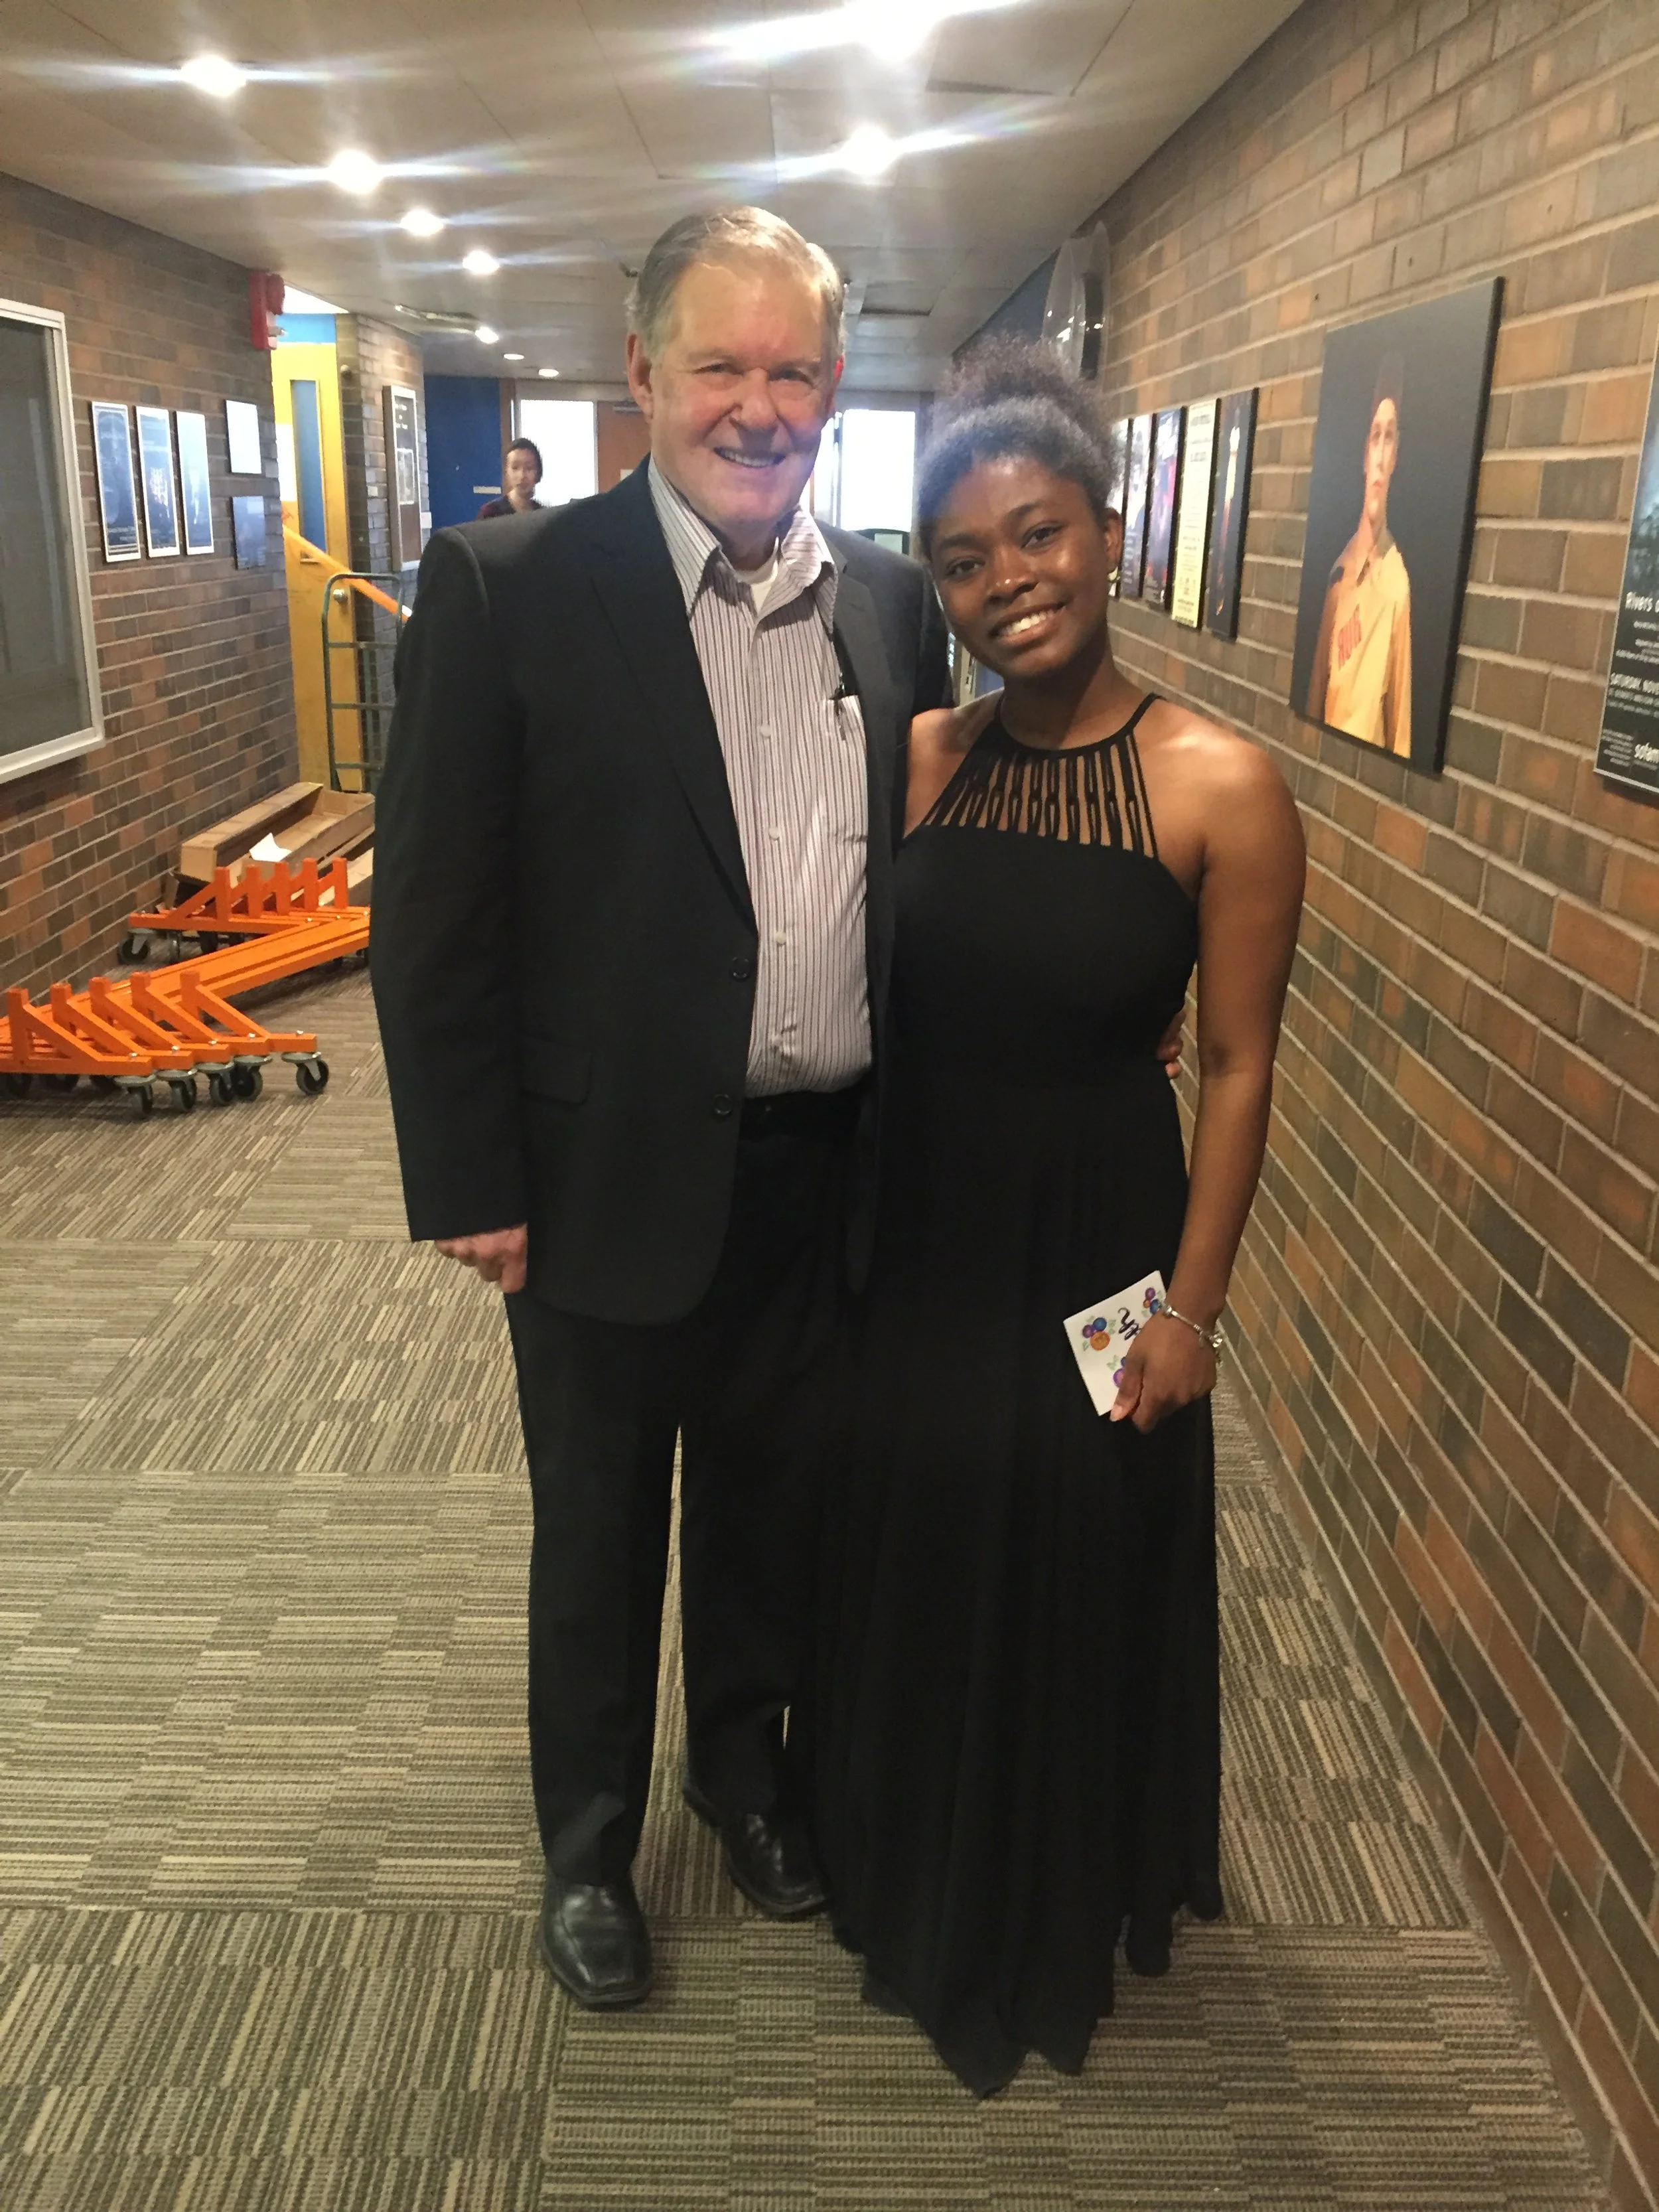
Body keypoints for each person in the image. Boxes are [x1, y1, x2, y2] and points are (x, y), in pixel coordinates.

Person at [369, 206, 950, 2012]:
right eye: (722, 364)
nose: (758, 405)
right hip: (594, 1171)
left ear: (833, 386)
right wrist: (467, 1172)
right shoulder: (512, 588)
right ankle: (589, 1845)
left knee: (780, 1507)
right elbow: (434, 917)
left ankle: (746, 1774)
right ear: (641, 373)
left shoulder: (890, 599)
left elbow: (912, 879)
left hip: (820, 1165)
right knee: (601, 1528)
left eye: (793, 369)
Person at [804, 342, 1306, 2096]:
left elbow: (1235, 1065)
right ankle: (904, 1858)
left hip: (1102, 1234)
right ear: (934, 581)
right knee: (924, 1531)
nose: (1007, 580)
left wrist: (1192, 1308)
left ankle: (1036, 1896)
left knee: (1070, 1543)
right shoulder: (925, 750)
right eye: (964, 557)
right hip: (925, 1217)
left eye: (1037, 536)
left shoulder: (1217, 783)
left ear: (1106, 533)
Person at [1304, 352, 1411, 757]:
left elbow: (1400, 737)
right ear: (1364, 453)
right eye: (1376, 436)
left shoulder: (1396, 586)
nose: (1381, 455)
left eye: (1391, 437)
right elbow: (1314, 702)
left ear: (1397, 455)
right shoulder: (1339, 571)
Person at [476, 436, 543, 518]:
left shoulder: (543, 515)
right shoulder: (490, 513)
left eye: (529, 468)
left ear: (538, 471)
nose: (522, 476)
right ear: (506, 472)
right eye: (515, 468)